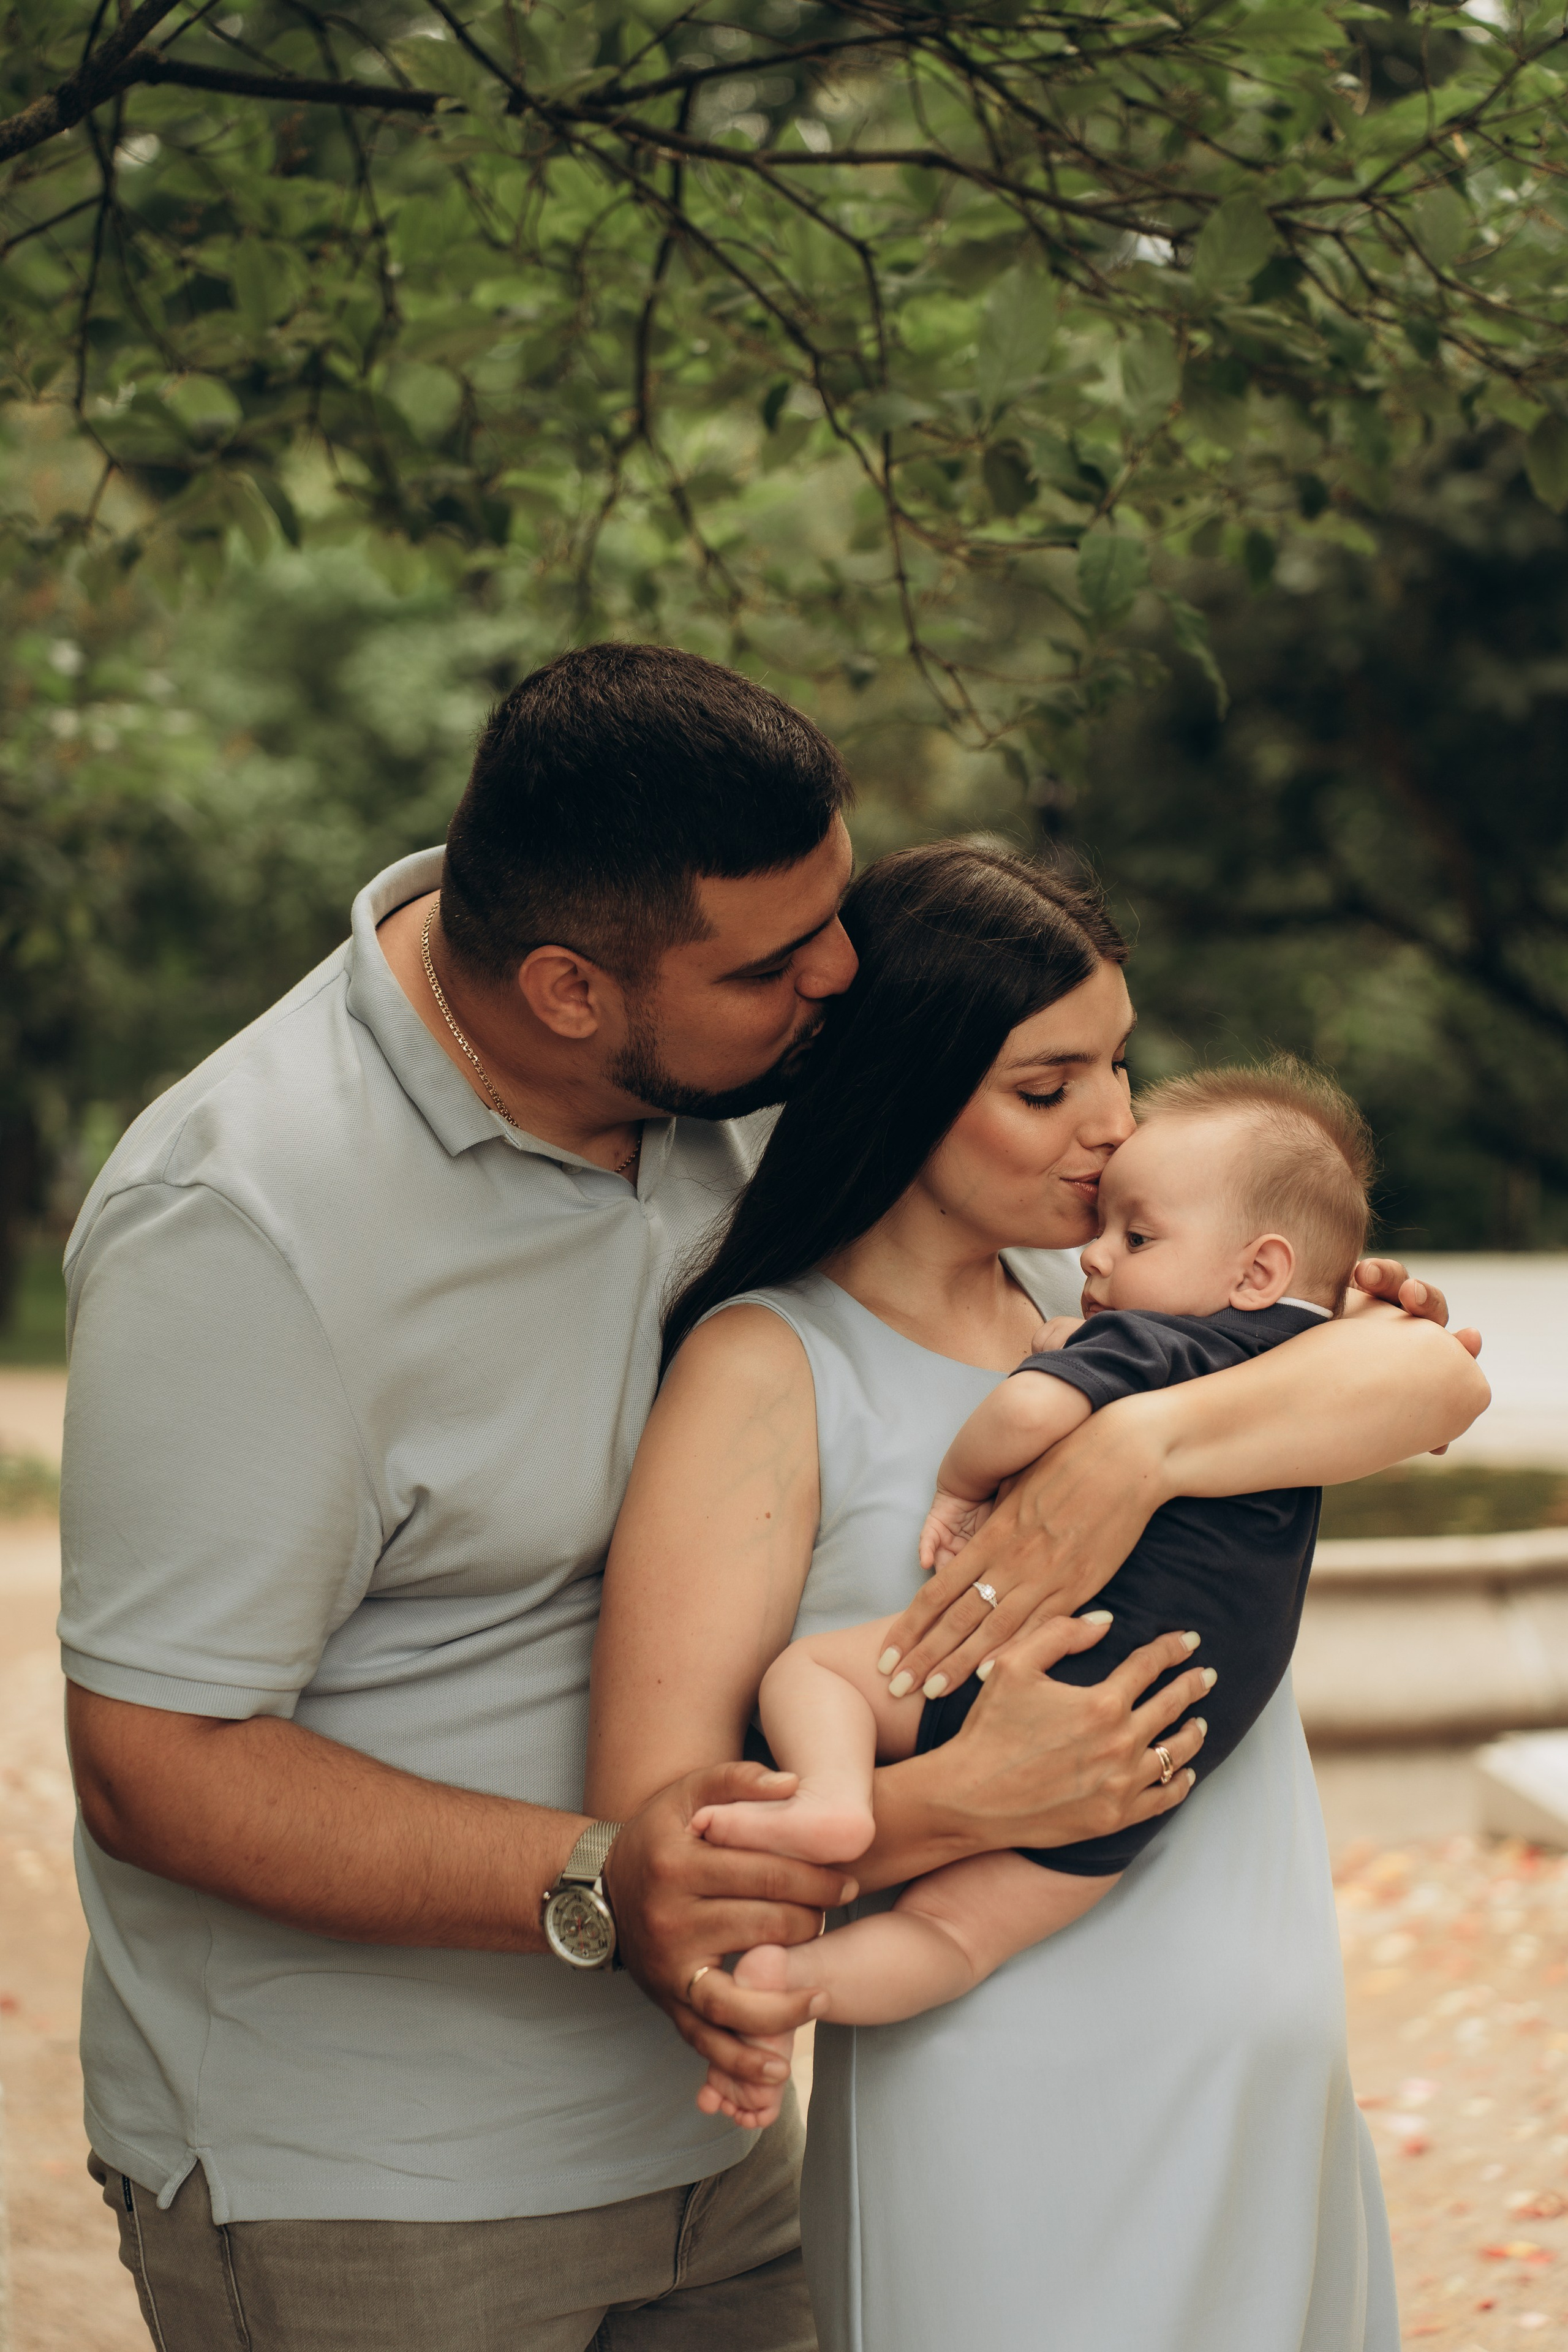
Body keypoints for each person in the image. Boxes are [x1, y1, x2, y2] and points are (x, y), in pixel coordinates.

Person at [58, 646, 1284, 2352]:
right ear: (570, 989)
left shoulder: (736, 1090)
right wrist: (595, 1877)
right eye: (779, 960)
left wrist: (1198, 1410)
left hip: (716, 2141)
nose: (841, 978)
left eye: (838, 913)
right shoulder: (245, 1229)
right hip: (374, 2187)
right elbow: (153, 1763)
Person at [588, 842, 1489, 2352]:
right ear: (904, 1083)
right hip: (1002, 2082)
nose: (1113, 1127)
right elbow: (660, 1846)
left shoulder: (1134, 1314)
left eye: (1119, 1068)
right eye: (1045, 1085)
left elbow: (1433, 1383)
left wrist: (1134, 1447)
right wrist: (957, 1802)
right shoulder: (768, 1363)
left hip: (1257, 2052)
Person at [687, 1058, 1400, 2127]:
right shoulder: (1312, 1364)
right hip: (1153, 1757)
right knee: (957, 1939)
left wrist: (962, 1483)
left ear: (1256, 1272)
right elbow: (1432, 1381)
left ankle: (833, 1801)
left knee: (816, 1671)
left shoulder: (1154, 1342)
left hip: (1029, 1677)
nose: (1096, 1257)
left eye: (1136, 1239)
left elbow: (1023, 1419)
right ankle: (798, 1989)